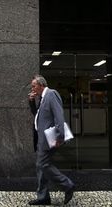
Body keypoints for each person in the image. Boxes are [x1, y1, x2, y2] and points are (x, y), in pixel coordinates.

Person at [28, 75, 75, 205]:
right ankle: (43, 197)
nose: (32, 89)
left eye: (34, 86)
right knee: (40, 167)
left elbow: (59, 116)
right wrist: (32, 102)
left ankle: (67, 185)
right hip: (41, 138)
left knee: (42, 164)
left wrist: (60, 136)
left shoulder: (51, 94)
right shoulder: (42, 98)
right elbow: (37, 116)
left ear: (41, 85)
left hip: (50, 138)